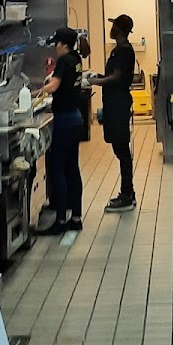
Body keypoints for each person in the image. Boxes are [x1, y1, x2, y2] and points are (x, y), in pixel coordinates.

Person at [36, 26, 84, 235]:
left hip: (64, 119)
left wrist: (35, 93)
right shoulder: (76, 58)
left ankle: (61, 221)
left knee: (58, 168)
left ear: (63, 44)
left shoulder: (64, 60)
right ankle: (76, 218)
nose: (55, 46)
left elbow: (54, 86)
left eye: (56, 42)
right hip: (75, 117)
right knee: (72, 168)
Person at [91, 14, 137, 212]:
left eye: (114, 26)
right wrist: (97, 76)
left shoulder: (124, 50)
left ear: (120, 29)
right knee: (119, 148)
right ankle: (128, 192)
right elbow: (113, 75)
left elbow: (117, 77)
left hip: (118, 103)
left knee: (122, 149)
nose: (111, 29)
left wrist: (95, 82)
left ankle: (127, 195)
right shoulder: (118, 50)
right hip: (114, 102)